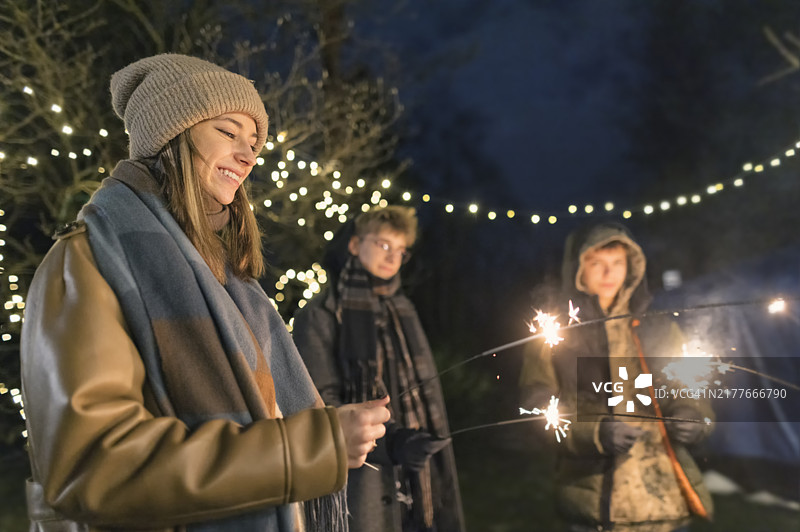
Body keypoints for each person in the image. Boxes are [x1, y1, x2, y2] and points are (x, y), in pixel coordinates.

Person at [20, 53, 391, 532]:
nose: (248, 154)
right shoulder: (87, 265)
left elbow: (267, 416)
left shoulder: (230, 281)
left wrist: (328, 433)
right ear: (171, 134)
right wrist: (314, 447)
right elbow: (94, 471)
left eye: (254, 142)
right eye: (227, 131)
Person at [519, 222, 714, 532]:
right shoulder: (555, 336)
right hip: (598, 503)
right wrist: (595, 432)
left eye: (617, 263)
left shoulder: (659, 329)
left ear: (633, 268)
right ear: (577, 270)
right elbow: (537, 408)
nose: (608, 274)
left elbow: (690, 389)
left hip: (666, 502)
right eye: (597, 264)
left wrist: (693, 415)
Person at [292, 206, 465, 532]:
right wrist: (392, 443)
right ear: (355, 245)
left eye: (400, 250)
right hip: (364, 479)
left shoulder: (403, 309)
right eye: (384, 244)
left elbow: (425, 390)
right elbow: (320, 405)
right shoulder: (321, 315)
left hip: (418, 476)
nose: (393, 256)